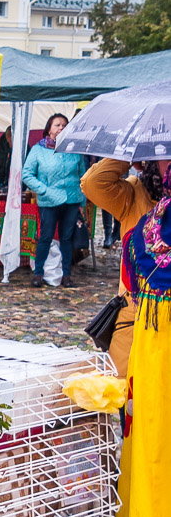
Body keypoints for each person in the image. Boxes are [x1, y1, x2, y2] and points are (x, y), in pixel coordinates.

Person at [94, 155, 171, 517]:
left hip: (157, 334)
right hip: (145, 332)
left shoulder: (154, 215)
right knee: (144, 450)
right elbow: (95, 182)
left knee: (154, 455)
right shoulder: (144, 198)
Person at [80, 159, 164, 380]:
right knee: (127, 399)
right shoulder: (134, 193)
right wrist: (128, 156)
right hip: (134, 318)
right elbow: (92, 183)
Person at [22, 113, 86, 289]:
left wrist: (82, 202)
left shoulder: (74, 149)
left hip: (72, 200)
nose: (61, 128)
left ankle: (66, 275)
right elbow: (27, 174)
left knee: (66, 238)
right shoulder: (38, 150)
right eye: (57, 125)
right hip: (49, 201)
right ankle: (38, 274)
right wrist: (43, 190)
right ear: (49, 129)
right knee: (46, 237)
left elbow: (83, 176)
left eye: (64, 125)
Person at [0, 125, 13, 192]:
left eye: (10, 141)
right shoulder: (2, 146)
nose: (9, 143)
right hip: (2, 185)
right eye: (8, 140)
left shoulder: (24, 148)